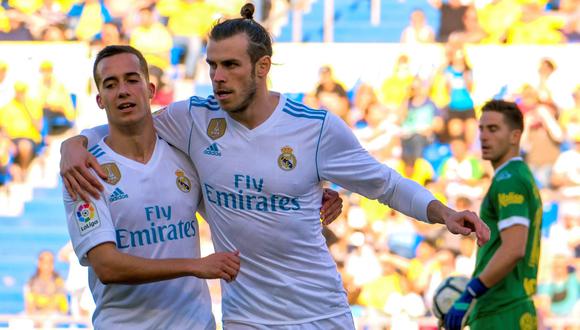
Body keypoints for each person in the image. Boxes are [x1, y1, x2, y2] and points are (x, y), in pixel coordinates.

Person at [61, 4, 490, 329]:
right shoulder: (193, 120)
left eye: (230, 65)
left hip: (319, 311)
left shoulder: (315, 128)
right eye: (212, 65)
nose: (218, 77)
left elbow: (385, 183)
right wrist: (73, 145)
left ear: (262, 67)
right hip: (246, 318)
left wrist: (445, 214)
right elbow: (128, 123)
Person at [62, 45, 242, 329]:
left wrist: (307, 191)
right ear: (100, 99)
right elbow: (107, 266)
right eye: (111, 84)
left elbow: (234, 208)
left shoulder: (184, 153)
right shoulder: (84, 169)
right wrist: (195, 266)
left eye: (132, 80)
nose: (123, 91)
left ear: (150, 89)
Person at [445, 100, 543, 330]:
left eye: (493, 129)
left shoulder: (509, 180)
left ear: (515, 136)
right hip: (512, 308)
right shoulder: (518, 176)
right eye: (481, 129)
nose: (484, 137)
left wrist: (470, 291)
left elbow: (513, 248)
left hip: (501, 310)